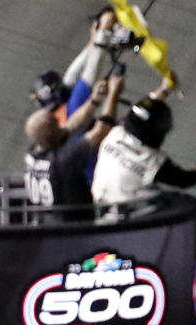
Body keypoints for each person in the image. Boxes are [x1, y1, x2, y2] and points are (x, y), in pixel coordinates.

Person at [91, 75, 196, 211]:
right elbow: (183, 180)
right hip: (125, 218)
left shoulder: (115, 134)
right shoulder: (152, 161)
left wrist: (163, 90)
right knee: (177, 203)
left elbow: (140, 113)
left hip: (96, 203)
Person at [24, 73, 125, 221]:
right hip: (74, 229)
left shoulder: (34, 152)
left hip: (49, 224)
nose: (61, 123)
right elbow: (101, 130)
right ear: (53, 132)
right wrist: (113, 94)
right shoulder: (63, 160)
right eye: (56, 122)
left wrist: (94, 100)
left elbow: (70, 126)